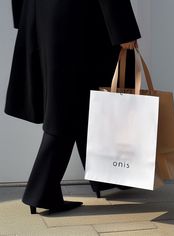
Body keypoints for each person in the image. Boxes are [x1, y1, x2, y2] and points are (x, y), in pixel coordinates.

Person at [4, 0, 141, 214]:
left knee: (83, 98)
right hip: (78, 18)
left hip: (42, 13)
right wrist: (123, 29)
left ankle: (105, 177)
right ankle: (41, 190)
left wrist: (24, 15)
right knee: (71, 101)